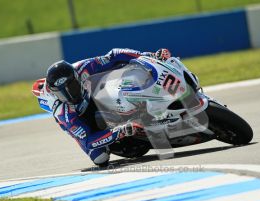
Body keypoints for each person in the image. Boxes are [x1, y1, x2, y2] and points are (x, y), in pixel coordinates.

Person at [43, 48, 171, 167]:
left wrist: (149, 56)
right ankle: (116, 138)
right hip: (80, 121)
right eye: (62, 93)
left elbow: (114, 55)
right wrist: (120, 131)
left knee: (121, 68)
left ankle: (140, 106)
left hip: (91, 94)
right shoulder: (64, 113)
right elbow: (89, 141)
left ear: (77, 78)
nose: (69, 95)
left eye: (72, 87)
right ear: (55, 93)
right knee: (100, 158)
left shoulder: (83, 68)